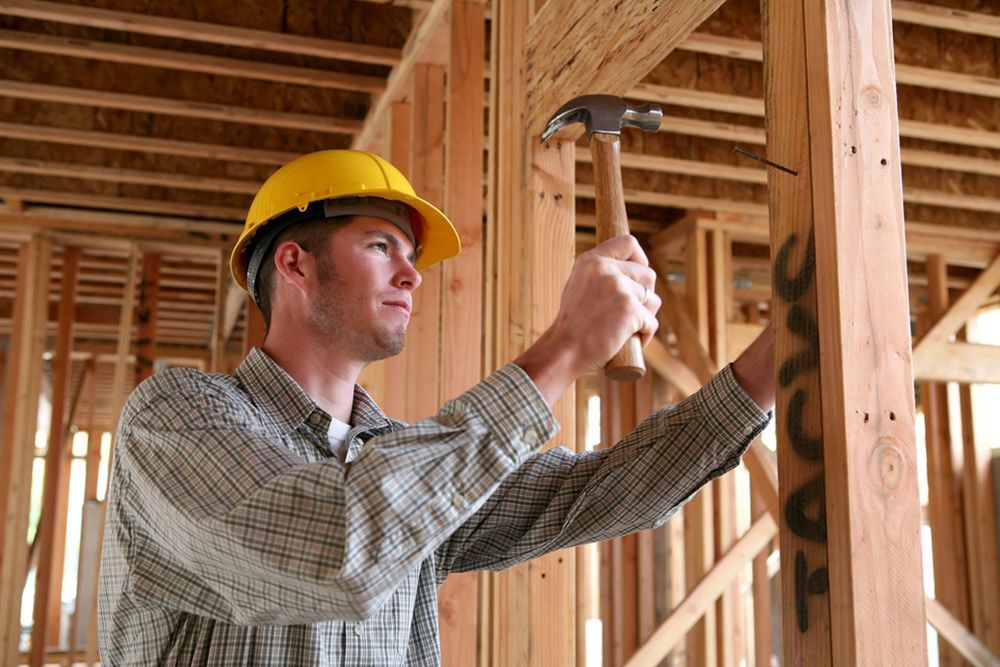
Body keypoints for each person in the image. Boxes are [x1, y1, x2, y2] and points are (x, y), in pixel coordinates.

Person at [98, 150, 774, 665]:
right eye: (379, 244)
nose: (412, 272)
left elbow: (592, 493)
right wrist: (564, 347)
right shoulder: (176, 417)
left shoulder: (399, 462)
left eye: (411, 254)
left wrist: (770, 366)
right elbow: (338, 549)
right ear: (296, 266)